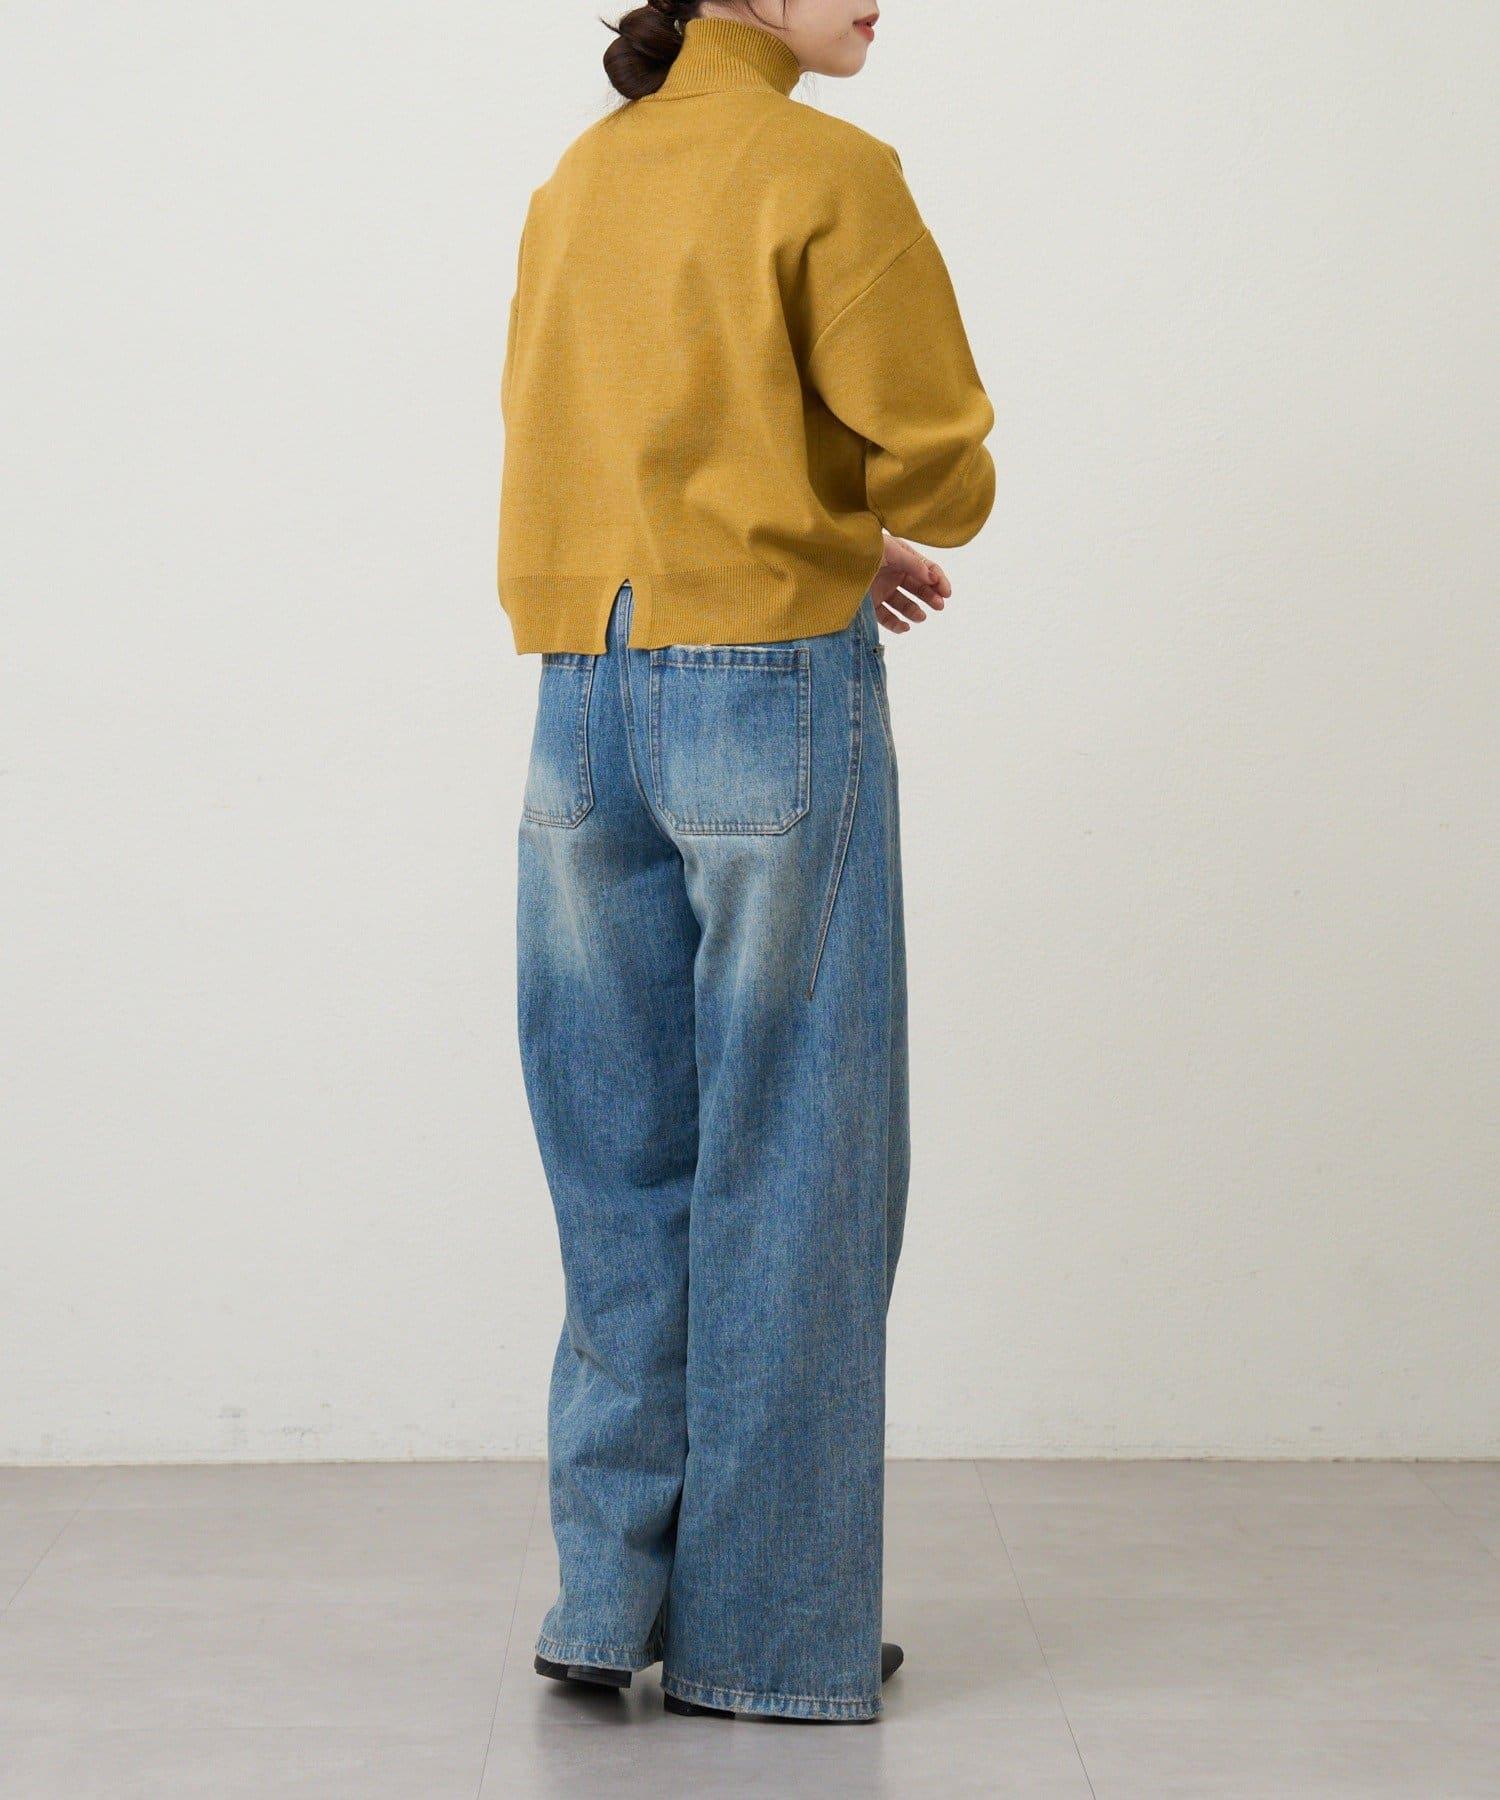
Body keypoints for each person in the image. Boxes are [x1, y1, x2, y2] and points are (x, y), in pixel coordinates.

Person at [498, 0, 995, 1724]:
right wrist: (844, 522)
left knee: (617, 1152)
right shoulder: (825, 169)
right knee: (798, 1151)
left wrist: (806, 528)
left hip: (583, 693)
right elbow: (941, 462)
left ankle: (602, 1596)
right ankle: (768, 1636)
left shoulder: (580, 179)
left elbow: (609, 438)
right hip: (767, 695)